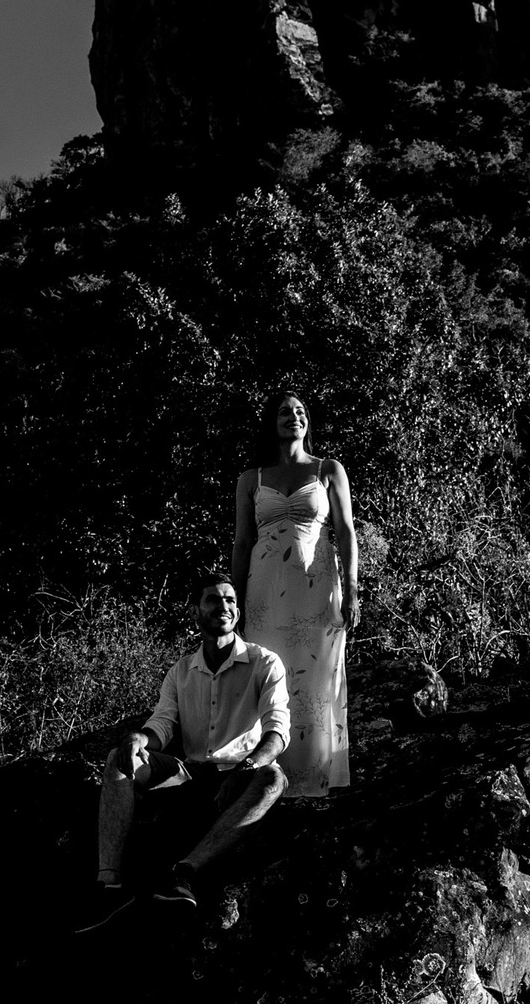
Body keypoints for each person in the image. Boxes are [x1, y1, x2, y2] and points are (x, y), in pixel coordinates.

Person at [85, 573, 289, 925]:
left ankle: (185, 872)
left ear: (238, 611)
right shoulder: (181, 671)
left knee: (273, 779)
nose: (224, 607)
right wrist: (139, 740)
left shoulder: (265, 663)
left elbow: (278, 731)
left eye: (230, 600)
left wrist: (248, 766)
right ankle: (108, 882)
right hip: (190, 774)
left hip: (241, 771)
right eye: (214, 600)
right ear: (195, 611)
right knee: (119, 759)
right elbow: (162, 725)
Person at [232, 391, 359, 798]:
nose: (295, 417)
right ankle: (267, 778)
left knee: (317, 680)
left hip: (316, 588)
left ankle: (315, 781)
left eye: (301, 411)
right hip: (264, 592)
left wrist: (352, 590)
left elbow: (346, 533)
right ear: (272, 422)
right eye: (285, 412)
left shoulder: (328, 469)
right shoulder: (251, 479)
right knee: (268, 675)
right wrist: (235, 602)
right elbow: (242, 542)